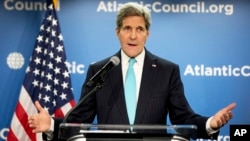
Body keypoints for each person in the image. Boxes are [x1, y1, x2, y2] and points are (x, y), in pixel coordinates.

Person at [28, 2, 236, 141]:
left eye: (139, 29)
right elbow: (79, 119)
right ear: (117, 32)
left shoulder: (167, 71)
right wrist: (51, 126)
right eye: (127, 28)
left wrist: (210, 123)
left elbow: (182, 118)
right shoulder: (99, 70)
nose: (133, 36)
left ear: (148, 34)